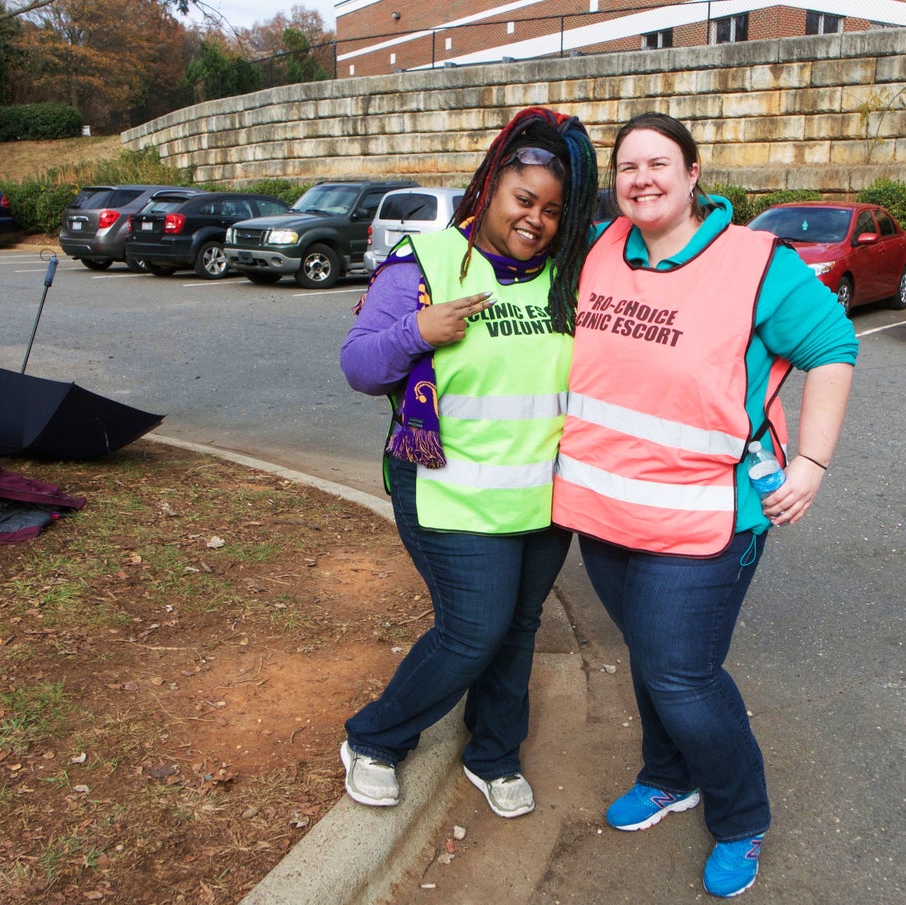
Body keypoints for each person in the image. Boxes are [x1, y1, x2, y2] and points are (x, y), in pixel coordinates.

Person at [552, 112, 858, 897]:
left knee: (682, 673)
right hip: (607, 511)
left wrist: (815, 461)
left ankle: (741, 816)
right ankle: (667, 774)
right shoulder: (595, 250)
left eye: (660, 163)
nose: (642, 178)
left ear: (693, 175)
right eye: (627, 167)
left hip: (709, 515)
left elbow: (833, 348)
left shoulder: (755, 261)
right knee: (652, 660)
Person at [338, 107, 598, 819]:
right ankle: (375, 738)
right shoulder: (425, 263)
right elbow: (359, 365)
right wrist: (418, 329)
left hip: (541, 496)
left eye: (552, 209)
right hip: (445, 486)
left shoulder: (567, 277)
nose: (535, 220)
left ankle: (493, 751)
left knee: (517, 627)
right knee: (473, 628)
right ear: (489, 187)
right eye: (524, 199)